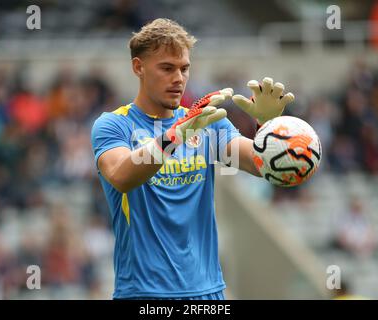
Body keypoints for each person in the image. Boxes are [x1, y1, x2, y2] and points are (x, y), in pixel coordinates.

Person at [91, 18, 294, 300]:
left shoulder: (206, 121)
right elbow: (122, 176)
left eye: (184, 68)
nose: (178, 78)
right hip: (143, 294)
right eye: (166, 68)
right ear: (138, 67)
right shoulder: (114, 125)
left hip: (208, 294)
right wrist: (174, 137)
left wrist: (268, 127)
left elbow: (260, 164)